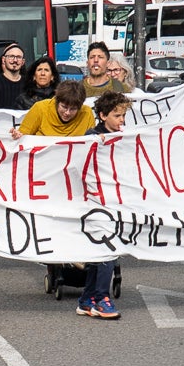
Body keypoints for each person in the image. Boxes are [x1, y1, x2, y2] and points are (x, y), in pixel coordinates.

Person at [75, 92, 131, 319]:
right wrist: (93, 146)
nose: (121, 120)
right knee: (109, 249)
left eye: (123, 116)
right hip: (95, 203)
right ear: (102, 115)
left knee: (100, 252)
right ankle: (101, 298)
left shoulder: (124, 136)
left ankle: (86, 299)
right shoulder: (91, 137)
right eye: (117, 115)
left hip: (114, 201)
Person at [16, 77, 94, 138]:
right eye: (64, 107)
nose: (67, 112)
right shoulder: (40, 108)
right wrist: (17, 135)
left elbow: (93, 142)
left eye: (73, 109)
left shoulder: (87, 113)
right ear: (57, 101)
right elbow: (23, 136)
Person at [0, 43, 31, 110]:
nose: (15, 60)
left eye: (18, 57)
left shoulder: (29, 84)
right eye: (11, 56)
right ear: (3, 60)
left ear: (23, 62)